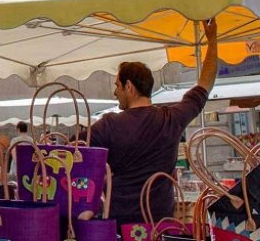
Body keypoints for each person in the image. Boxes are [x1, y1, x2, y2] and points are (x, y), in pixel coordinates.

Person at [90, 19, 219, 227]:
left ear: (129, 86)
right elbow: (206, 83)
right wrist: (212, 40)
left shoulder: (108, 125)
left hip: (119, 226)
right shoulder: (172, 119)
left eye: (117, 86)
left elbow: (70, 152)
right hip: (159, 225)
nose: (115, 92)